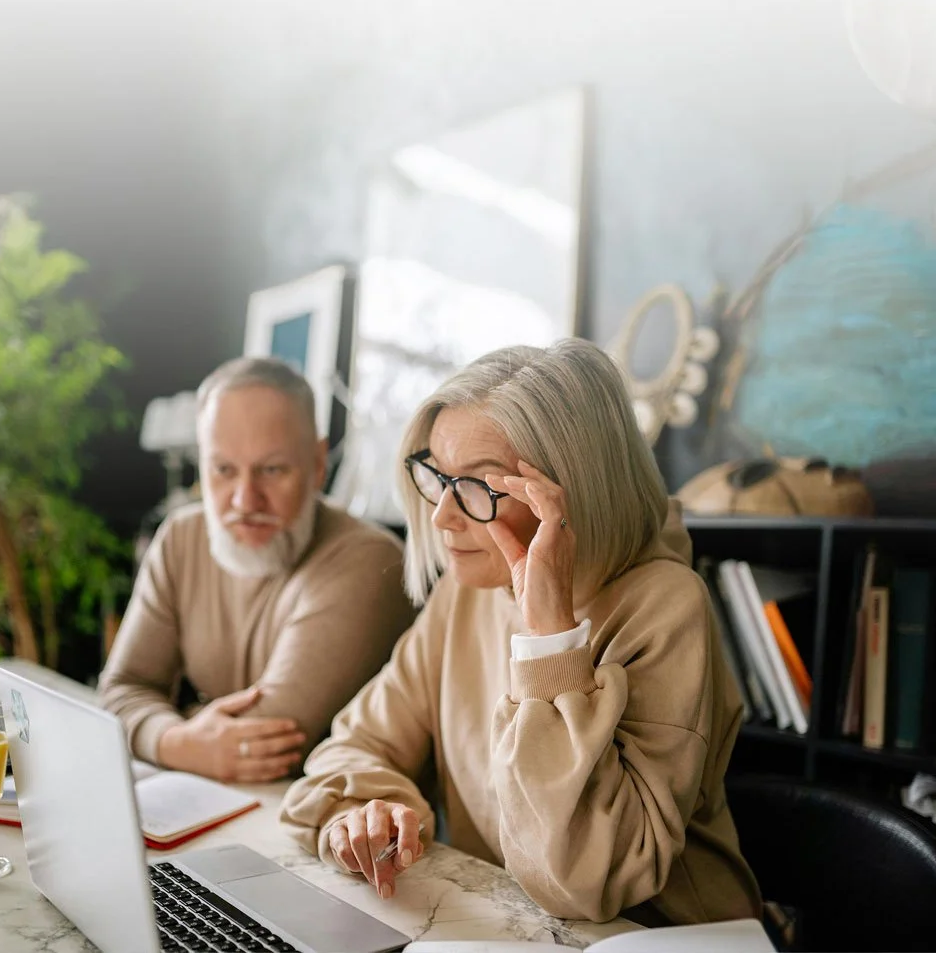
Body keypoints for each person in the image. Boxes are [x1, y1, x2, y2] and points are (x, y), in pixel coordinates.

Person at [279, 339, 762, 926]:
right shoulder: (467, 591)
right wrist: (369, 811)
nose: (441, 517)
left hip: (655, 937)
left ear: (574, 495)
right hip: (511, 922)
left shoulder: (665, 605)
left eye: (481, 487)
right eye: (437, 475)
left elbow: (586, 882)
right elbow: (355, 747)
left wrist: (550, 638)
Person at [99, 357, 415, 784]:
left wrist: (168, 726)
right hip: (225, 807)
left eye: (272, 470)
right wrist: (178, 740)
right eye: (223, 470)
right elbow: (119, 690)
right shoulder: (180, 538)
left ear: (318, 464)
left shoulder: (369, 561)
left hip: (333, 825)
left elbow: (267, 748)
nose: (245, 500)